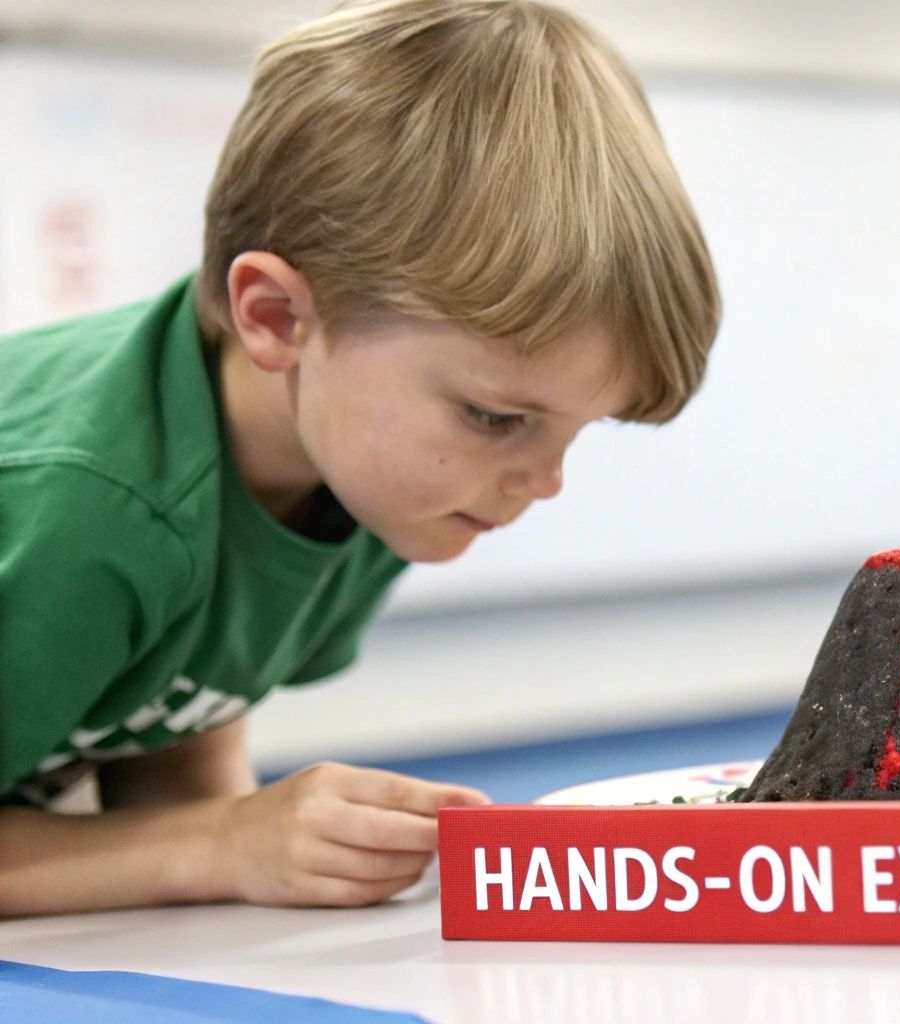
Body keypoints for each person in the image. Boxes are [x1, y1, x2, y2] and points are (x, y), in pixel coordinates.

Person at [0, 0, 719, 915]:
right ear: (275, 317)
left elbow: (168, 711)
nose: (545, 483)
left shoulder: (368, 478)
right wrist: (216, 843)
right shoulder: (81, 506)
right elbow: (191, 824)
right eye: (496, 417)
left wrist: (252, 832)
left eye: (579, 429)